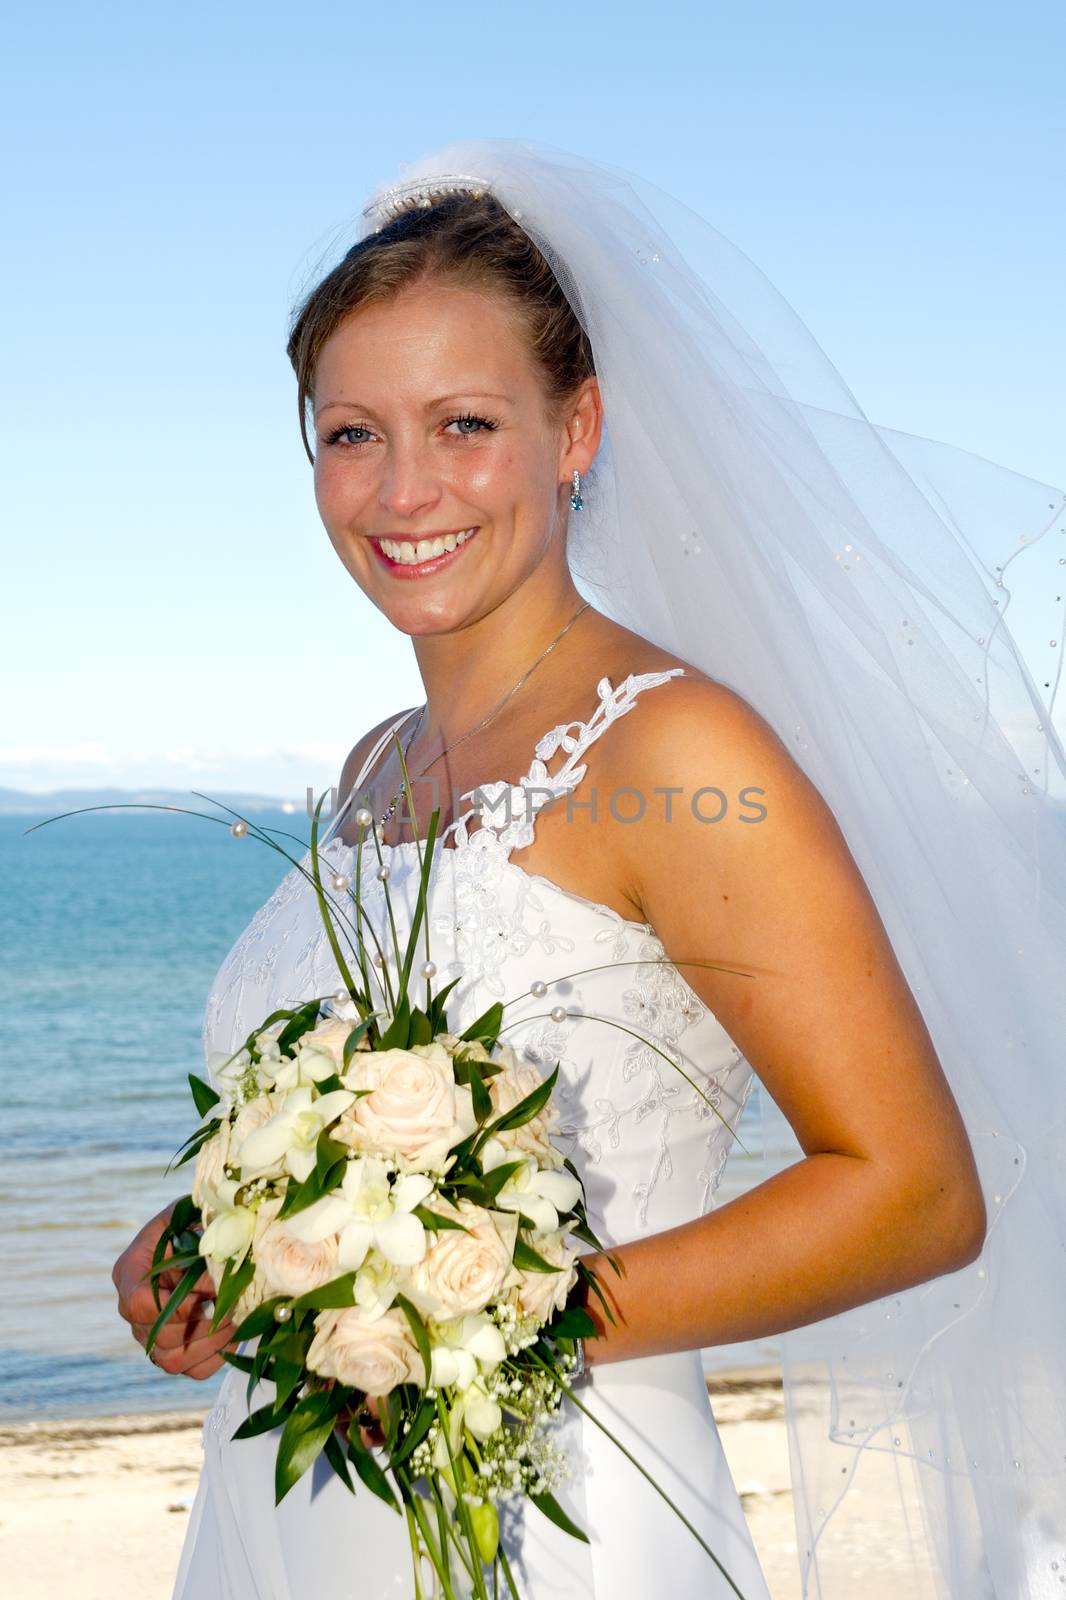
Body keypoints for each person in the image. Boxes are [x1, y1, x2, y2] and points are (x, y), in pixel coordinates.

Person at [112, 140, 1066, 1598]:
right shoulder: (380, 761)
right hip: (280, 1514)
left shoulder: (675, 746)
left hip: (549, 1522)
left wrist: (488, 1311)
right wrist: (227, 1245)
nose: (400, 489)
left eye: (465, 423)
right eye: (351, 433)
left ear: (577, 431)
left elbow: (913, 1194)